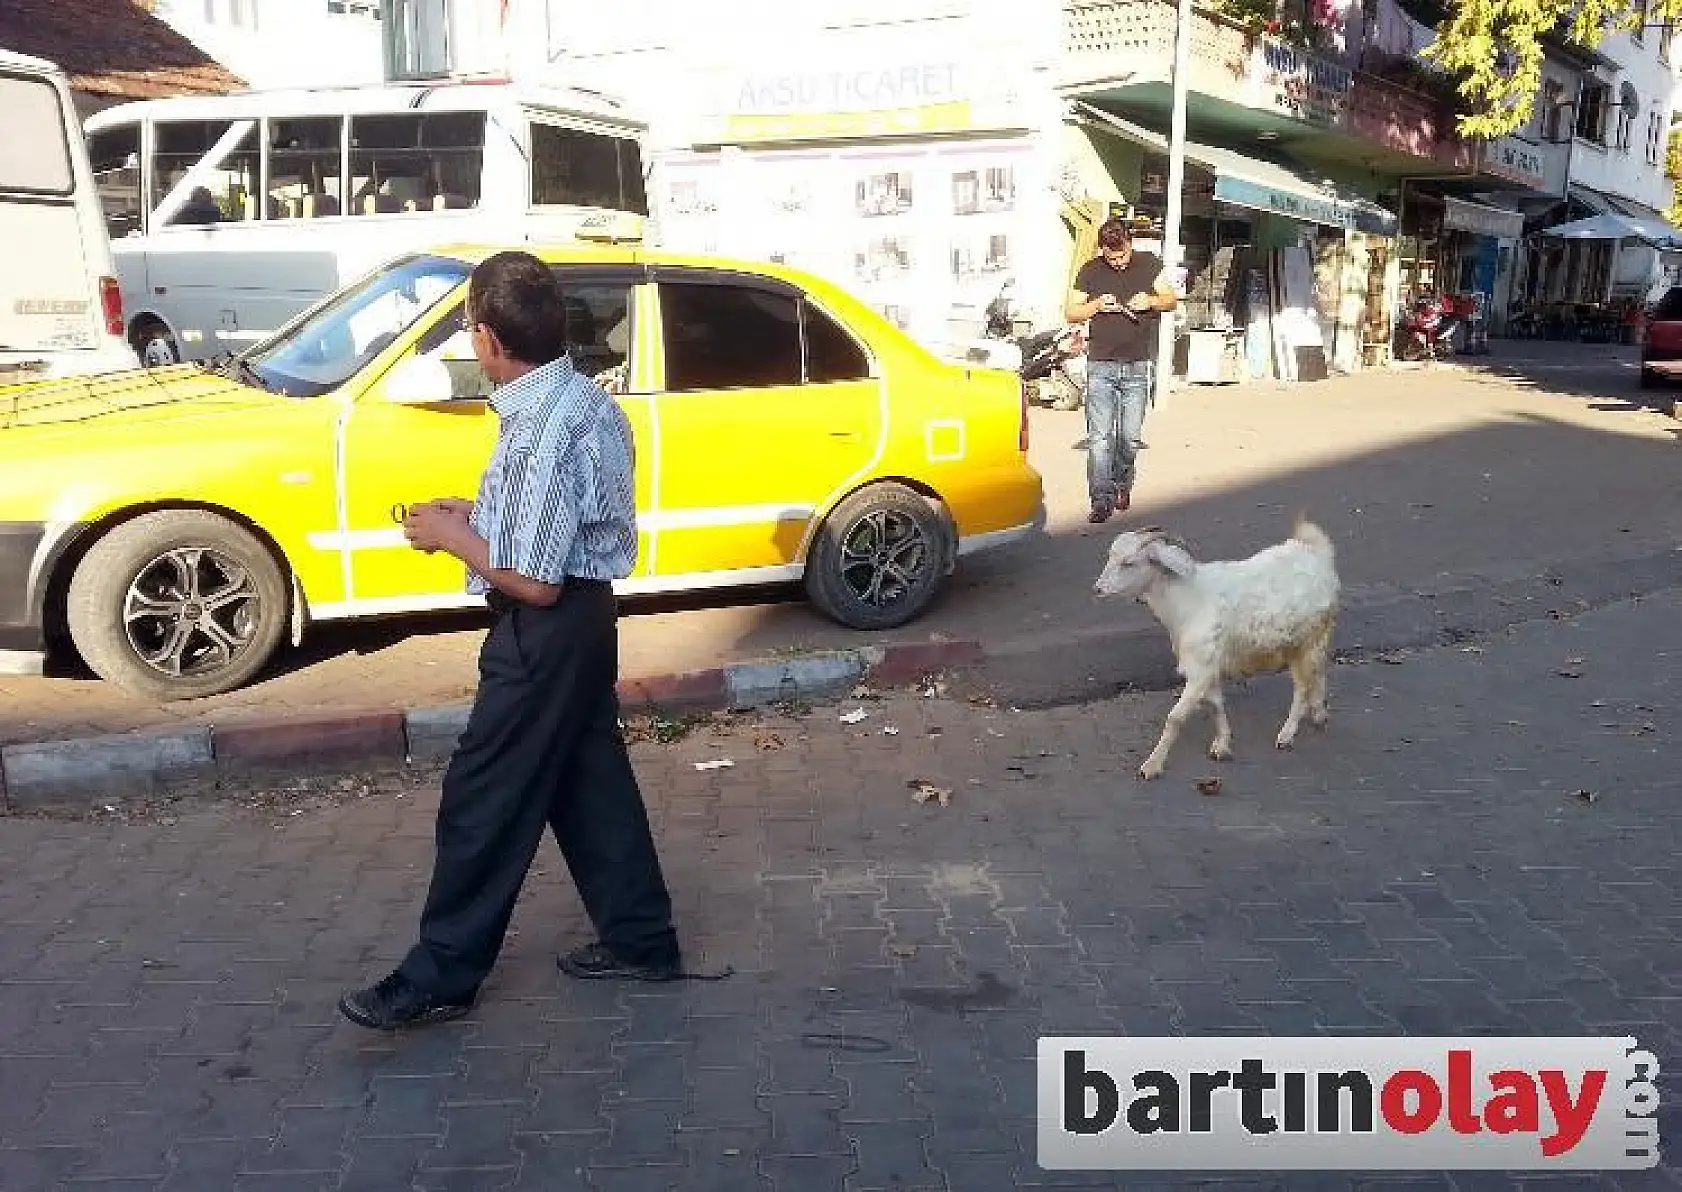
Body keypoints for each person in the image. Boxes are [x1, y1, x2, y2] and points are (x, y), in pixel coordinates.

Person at [339, 250, 684, 1030]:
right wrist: (481, 511)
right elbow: (561, 525)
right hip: (587, 627)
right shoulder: (581, 399)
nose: (469, 340)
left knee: (481, 798)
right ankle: (642, 939)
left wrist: (446, 537)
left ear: (490, 338)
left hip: (545, 633)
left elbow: (534, 581)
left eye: (467, 328)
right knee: (588, 786)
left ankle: (441, 974)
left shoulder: (538, 432)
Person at [1066, 218, 1179, 524]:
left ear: (1130, 244)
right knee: (1100, 438)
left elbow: (1171, 300)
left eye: (1122, 256)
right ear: (1102, 249)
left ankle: (1122, 484)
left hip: (1136, 366)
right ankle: (1101, 500)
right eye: (1111, 257)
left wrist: (1151, 301)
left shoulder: (1149, 265)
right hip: (1100, 365)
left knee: (1129, 438)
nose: (1117, 262)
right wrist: (1095, 307)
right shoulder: (1090, 270)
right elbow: (1070, 311)